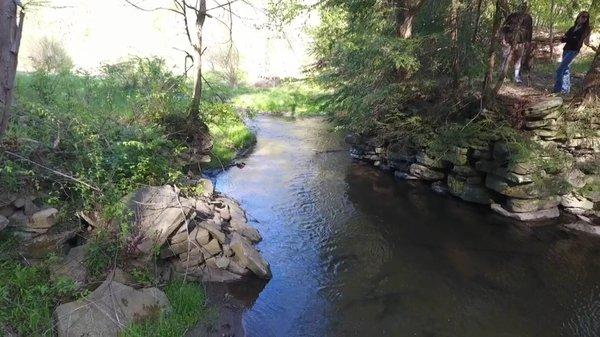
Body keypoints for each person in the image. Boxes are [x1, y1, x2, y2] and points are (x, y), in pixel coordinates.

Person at [554, 11, 598, 94]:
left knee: (560, 69)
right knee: (566, 70)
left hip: (574, 51)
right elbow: (563, 39)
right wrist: (569, 38)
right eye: (583, 16)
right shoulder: (573, 27)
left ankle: (557, 90)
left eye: (586, 17)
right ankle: (565, 91)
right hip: (566, 49)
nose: (584, 19)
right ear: (578, 17)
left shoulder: (586, 29)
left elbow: (576, 40)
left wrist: (569, 38)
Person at [499, 2, 533, 85]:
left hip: (521, 43)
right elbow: (503, 28)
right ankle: (501, 77)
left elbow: (530, 31)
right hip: (508, 41)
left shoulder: (528, 18)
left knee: (518, 60)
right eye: (522, 6)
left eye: (525, 7)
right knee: (505, 58)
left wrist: (528, 42)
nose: (523, 8)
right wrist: (503, 39)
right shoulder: (512, 16)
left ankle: (516, 77)